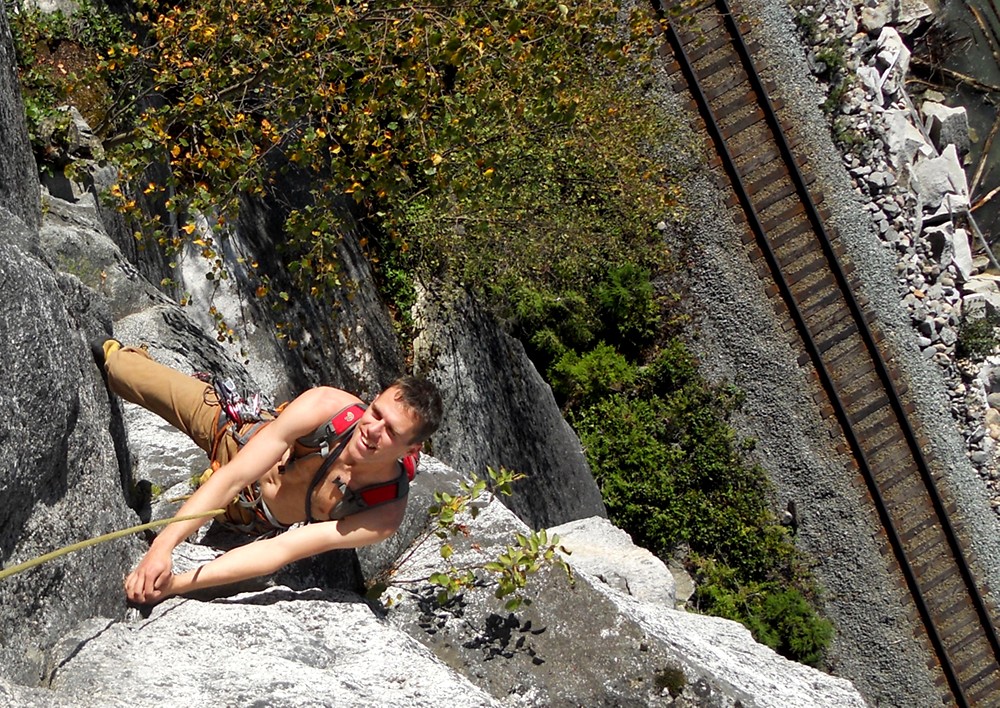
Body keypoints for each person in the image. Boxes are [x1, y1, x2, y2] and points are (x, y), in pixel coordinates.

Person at [94, 340, 443, 605]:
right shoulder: (325, 407)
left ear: (412, 450)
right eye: (375, 412)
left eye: (392, 432)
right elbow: (234, 475)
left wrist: (174, 585)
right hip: (234, 439)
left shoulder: (383, 513)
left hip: (250, 520)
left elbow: (283, 550)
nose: (372, 429)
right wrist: (162, 547)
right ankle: (131, 357)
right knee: (120, 369)